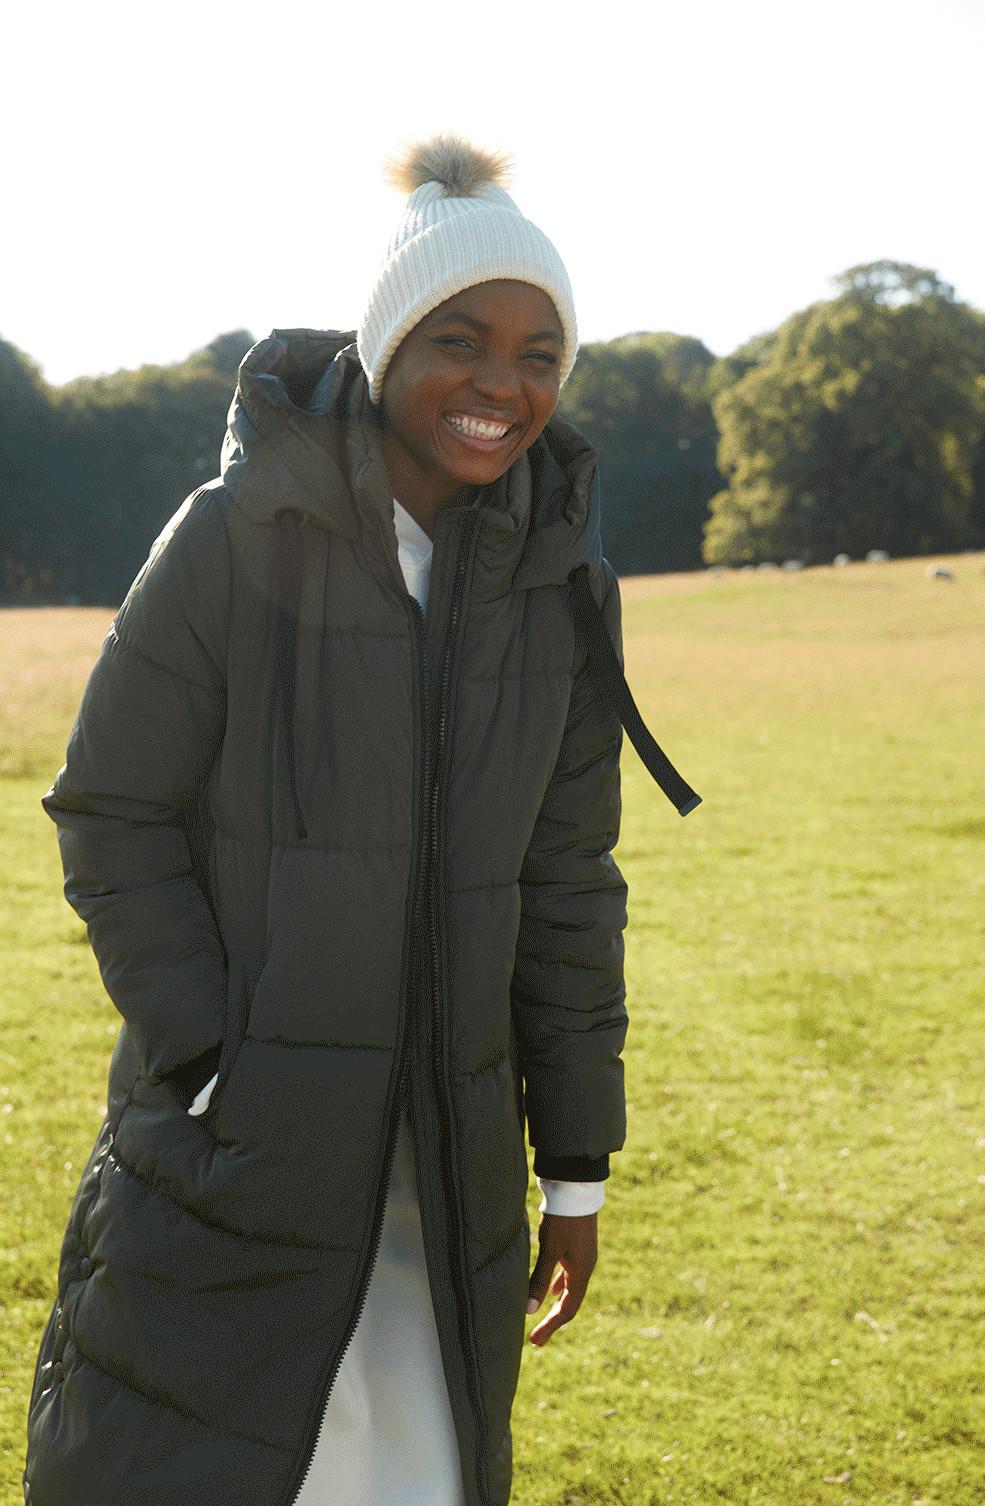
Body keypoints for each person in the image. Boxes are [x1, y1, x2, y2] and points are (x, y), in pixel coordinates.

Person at [22, 132, 699, 1506]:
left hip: (447, 1189)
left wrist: (574, 1165)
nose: (501, 385)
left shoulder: (566, 585)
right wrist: (210, 1050)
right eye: (461, 338)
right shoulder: (230, 538)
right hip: (233, 1161)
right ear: (387, 343)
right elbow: (111, 808)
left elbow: (570, 885)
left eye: (538, 353)